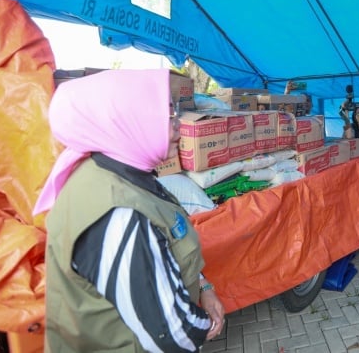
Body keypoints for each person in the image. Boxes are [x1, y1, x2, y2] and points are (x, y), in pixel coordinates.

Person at [33, 69, 226, 352]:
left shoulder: (120, 173)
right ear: (128, 123)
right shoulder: (118, 215)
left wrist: (204, 287)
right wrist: (206, 324)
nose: (178, 127)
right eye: (167, 116)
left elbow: (168, 249)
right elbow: (172, 334)